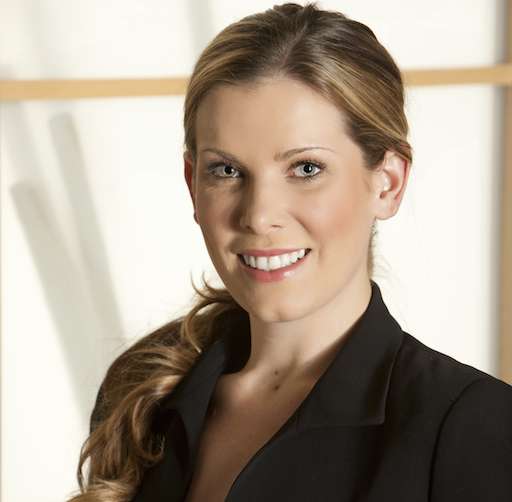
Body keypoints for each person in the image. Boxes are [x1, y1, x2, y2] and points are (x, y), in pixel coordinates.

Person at [68, 3, 512, 502]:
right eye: (227, 171)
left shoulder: (473, 428)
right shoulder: (142, 393)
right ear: (193, 184)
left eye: (305, 169)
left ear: (387, 183)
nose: (259, 216)